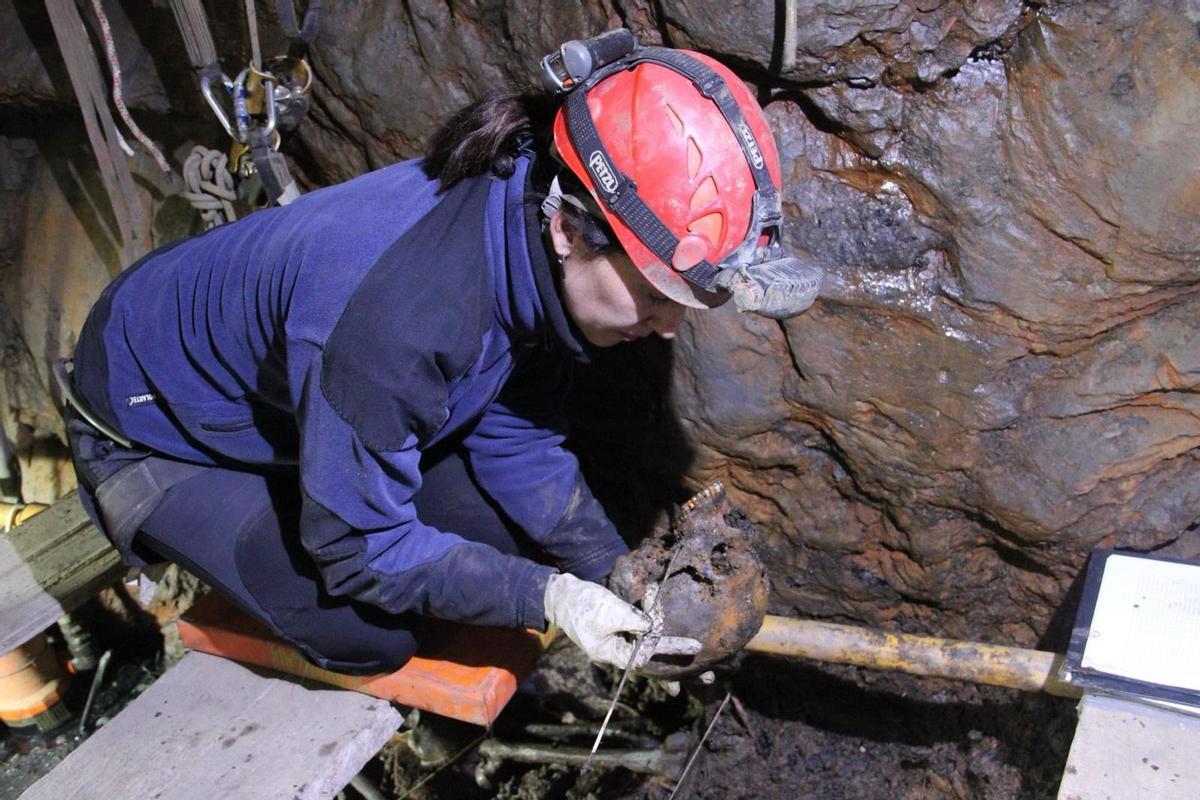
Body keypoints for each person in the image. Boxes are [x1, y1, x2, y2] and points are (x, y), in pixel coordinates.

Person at [60, 33, 819, 675]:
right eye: (655, 297)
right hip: (156, 431)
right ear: (570, 229)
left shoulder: (527, 209)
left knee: (493, 540)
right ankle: (230, 587)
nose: (661, 327)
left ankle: (316, 488)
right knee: (368, 635)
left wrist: (608, 568)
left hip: (305, 405)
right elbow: (359, 553)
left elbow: (515, 434)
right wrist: (546, 598)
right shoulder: (402, 317)